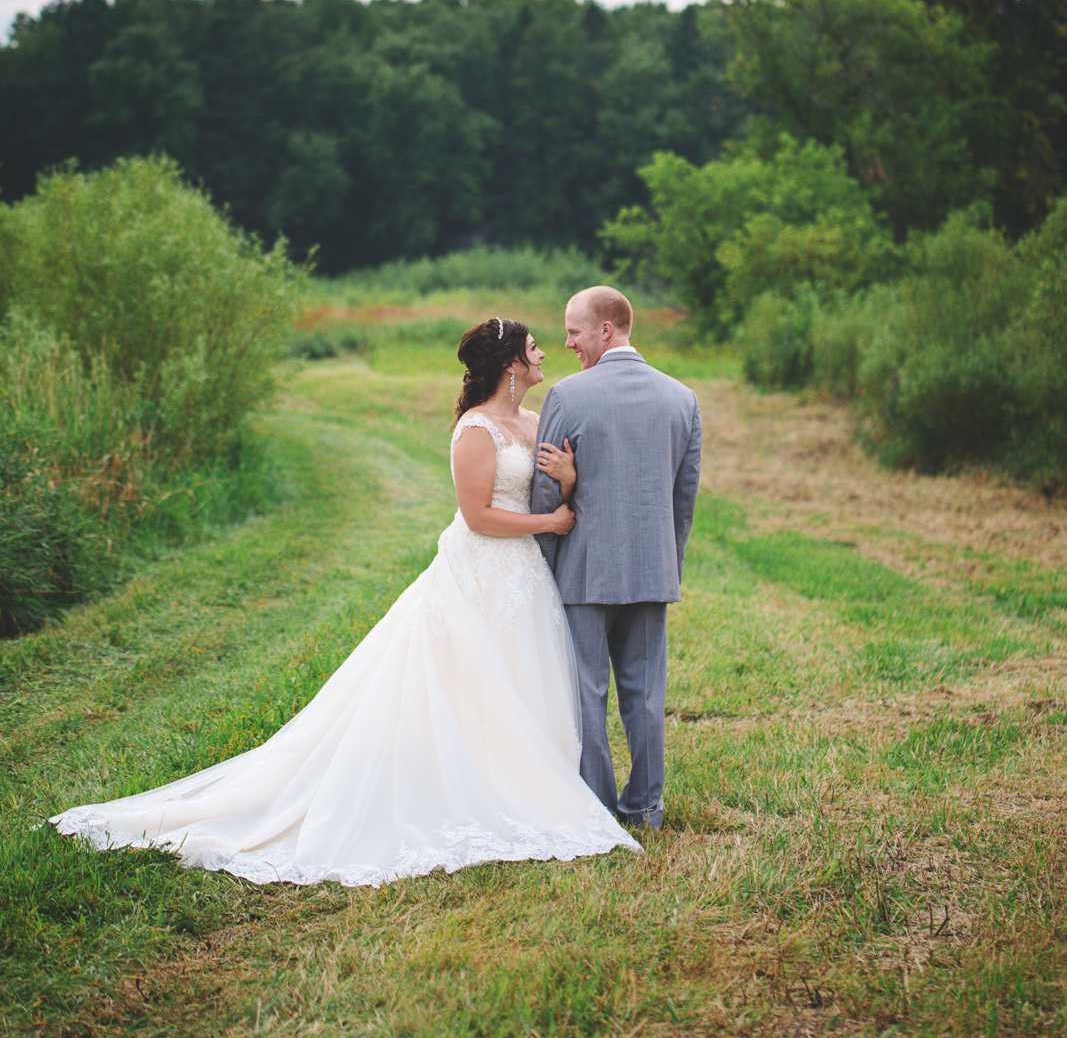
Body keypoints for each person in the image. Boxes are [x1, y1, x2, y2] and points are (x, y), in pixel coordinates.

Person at [51, 319, 639, 886]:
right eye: (534, 348)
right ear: (510, 364)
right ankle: (464, 786)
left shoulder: (534, 420)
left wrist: (567, 482)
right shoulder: (475, 430)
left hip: (525, 575)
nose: (544, 354)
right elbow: (478, 516)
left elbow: (547, 489)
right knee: (467, 681)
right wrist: (550, 523)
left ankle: (516, 780)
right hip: (481, 570)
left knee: (517, 678)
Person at [532, 287, 702, 830]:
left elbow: (544, 493)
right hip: (653, 569)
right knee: (646, 694)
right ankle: (646, 808)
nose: (567, 343)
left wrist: (544, 566)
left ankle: (598, 808)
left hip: (584, 570)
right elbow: (683, 499)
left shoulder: (566, 396)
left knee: (586, 691)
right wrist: (667, 565)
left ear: (605, 330)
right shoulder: (682, 399)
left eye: (574, 332)